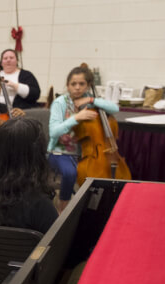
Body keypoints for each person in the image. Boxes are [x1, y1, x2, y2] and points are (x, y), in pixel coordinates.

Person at [47, 65, 119, 211]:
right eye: (73, 84)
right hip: (59, 152)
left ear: (88, 85)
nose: (77, 88)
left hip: (85, 153)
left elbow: (115, 108)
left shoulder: (90, 100)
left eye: (82, 84)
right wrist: (77, 118)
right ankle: (63, 205)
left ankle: (90, 208)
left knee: (98, 174)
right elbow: (54, 132)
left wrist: (93, 99)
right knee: (70, 173)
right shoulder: (60, 103)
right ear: (68, 85)